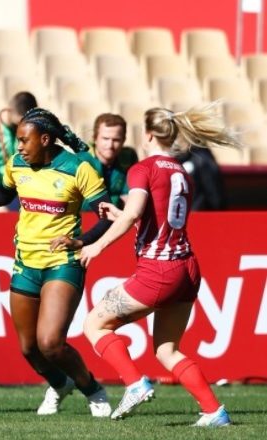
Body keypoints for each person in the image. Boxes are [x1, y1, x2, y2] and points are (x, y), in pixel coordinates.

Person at [0, 108, 113, 417]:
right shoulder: (17, 165)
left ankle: (93, 390)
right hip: (25, 262)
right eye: (17, 141)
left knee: (51, 342)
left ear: (46, 139)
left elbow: (107, 214)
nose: (19, 147)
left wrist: (81, 241)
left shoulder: (79, 167)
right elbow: (1, 194)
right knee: (29, 348)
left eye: (25, 141)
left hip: (62, 262)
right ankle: (59, 384)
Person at [78, 104, 237, 426]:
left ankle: (135, 383)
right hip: (187, 268)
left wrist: (97, 244)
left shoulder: (143, 168)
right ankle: (213, 411)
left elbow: (135, 213)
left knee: (94, 325)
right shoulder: (182, 172)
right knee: (167, 351)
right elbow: (158, 220)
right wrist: (121, 217)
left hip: (159, 269)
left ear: (147, 134)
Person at [0, 91, 38, 200]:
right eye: (20, 121)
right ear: (10, 110)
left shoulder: (29, 128)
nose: (24, 125)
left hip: (21, 188)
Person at [76, 113, 138, 209]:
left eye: (116, 140)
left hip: (118, 218)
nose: (110, 145)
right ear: (95, 138)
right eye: (105, 139)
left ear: (124, 140)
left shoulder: (128, 157)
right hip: (85, 219)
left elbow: (130, 197)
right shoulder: (79, 161)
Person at [175, 145, 227, 210]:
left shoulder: (202, 159)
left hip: (197, 213)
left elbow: (215, 197)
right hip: (192, 212)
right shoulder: (201, 157)